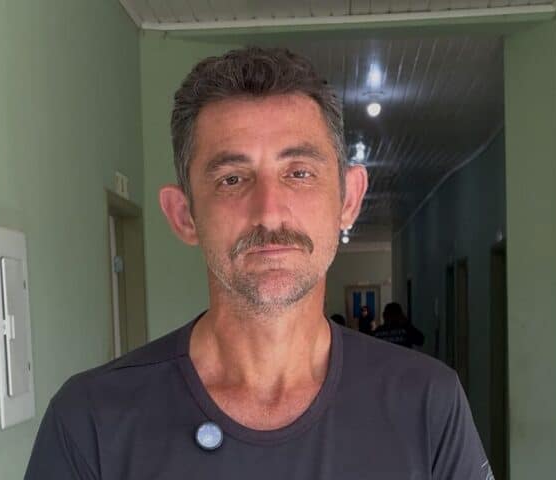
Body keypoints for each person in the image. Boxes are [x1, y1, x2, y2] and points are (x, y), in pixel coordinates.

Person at [25, 47, 490, 479]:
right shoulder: (90, 421)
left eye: (299, 173)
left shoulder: (428, 403)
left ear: (348, 200)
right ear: (184, 215)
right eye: (232, 179)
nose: (268, 212)